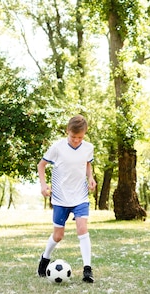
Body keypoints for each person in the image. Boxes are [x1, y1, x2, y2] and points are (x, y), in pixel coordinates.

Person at [37, 114, 97, 283]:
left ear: (84, 134)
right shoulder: (57, 147)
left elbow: (87, 163)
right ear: (67, 132)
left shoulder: (88, 147)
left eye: (80, 137)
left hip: (80, 196)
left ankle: (87, 269)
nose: (76, 140)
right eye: (73, 137)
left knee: (82, 228)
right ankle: (45, 257)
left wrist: (90, 178)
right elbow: (41, 165)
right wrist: (43, 184)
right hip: (60, 197)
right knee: (58, 235)